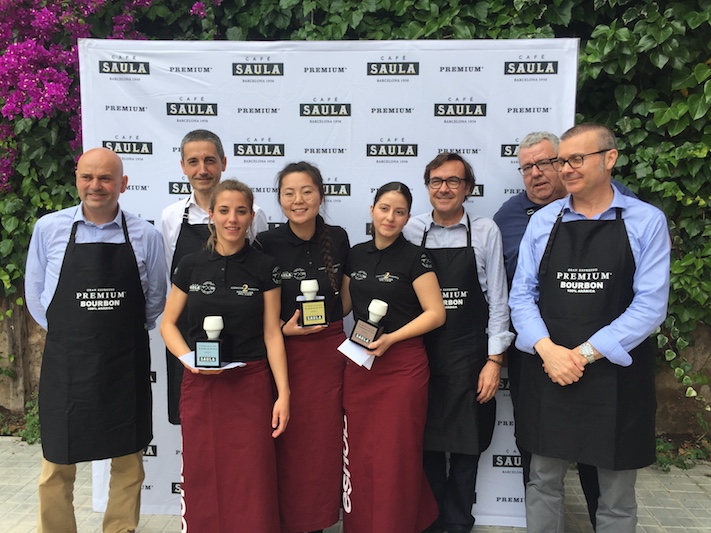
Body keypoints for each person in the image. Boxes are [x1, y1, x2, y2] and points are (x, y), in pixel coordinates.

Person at [509, 123, 670, 533]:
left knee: (615, 494)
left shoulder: (646, 222)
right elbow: (521, 296)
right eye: (562, 160)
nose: (566, 169)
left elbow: (650, 306)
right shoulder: (544, 222)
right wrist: (547, 351)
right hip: (549, 371)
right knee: (543, 481)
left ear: (609, 158)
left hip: (614, 375)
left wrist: (580, 355)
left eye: (576, 159)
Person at [25, 147, 167, 533]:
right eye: (88, 177)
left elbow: (155, 299)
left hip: (124, 364)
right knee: (56, 463)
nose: (96, 186)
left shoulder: (145, 234)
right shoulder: (49, 228)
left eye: (106, 178)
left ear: (122, 184)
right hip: (68, 365)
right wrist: (74, 332)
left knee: (128, 462)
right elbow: (37, 297)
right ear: (76, 179)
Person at [160, 179, 289, 532]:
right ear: (211, 216)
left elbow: (271, 332)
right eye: (224, 210)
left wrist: (283, 394)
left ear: (251, 217)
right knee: (205, 472)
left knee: (251, 477)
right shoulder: (189, 264)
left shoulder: (265, 266)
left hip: (250, 383)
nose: (232, 219)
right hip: (201, 387)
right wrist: (190, 361)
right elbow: (168, 324)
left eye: (241, 211)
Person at [403, 152, 514, 533]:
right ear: (428, 186)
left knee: (468, 448)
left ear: (467, 188)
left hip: (470, 358)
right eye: (436, 181)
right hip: (422, 357)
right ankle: (430, 523)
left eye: (453, 181)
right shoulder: (411, 230)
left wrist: (494, 361)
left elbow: (499, 300)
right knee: (427, 446)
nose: (444, 188)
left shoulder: (485, 231)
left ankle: (458, 524)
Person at [342, 182, 446, 533]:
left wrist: (391, 339)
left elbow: (436, 313)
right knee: (361, 453)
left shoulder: (416, 257)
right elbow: (342, 306)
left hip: (401, 366)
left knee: (396, 456)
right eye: (384, 208)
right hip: (359, 365)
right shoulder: (355, 254)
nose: (390, 217)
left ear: (406, 218)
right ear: (372, 210)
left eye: (399, 211)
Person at [254, 162, 350, 533]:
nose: (298, 200)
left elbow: (344, 300)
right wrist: (284, 331)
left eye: (307, 191)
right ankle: (284, 521)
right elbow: (260, 312)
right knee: (287, 441)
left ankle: (318, 521)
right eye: (289, 192)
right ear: (279, 199)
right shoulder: (267, 243)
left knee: (322, 445)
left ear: (321, 195)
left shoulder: (338, 237)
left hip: (329, 357)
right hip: (284, 355)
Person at [160, 129, 268, 424]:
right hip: (190, 339)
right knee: (196, 426)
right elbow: (174, 275)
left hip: (245, 340)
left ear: (223, 162)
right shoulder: (171, 216)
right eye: (193, 161)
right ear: (182, 167)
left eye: (210, 160)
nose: (202, 169)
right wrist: (187, 357)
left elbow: (259, 269)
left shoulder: (256, 214)